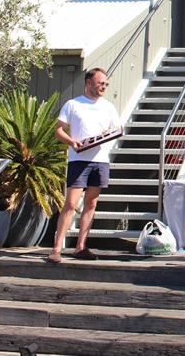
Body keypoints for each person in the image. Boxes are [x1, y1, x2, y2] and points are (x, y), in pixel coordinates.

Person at [49, 67, 120, 263]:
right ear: (89, 82)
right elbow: (59, 131)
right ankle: (57, 248)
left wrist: (106, 136)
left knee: (91, 203)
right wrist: (72, 142)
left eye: (106, 84)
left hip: (100, 160)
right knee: (71, 204)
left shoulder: (109, 107)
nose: (103, 87)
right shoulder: (73, 105)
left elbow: (116, 129)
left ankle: (80, 247)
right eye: (100, 83)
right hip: (78, 160)